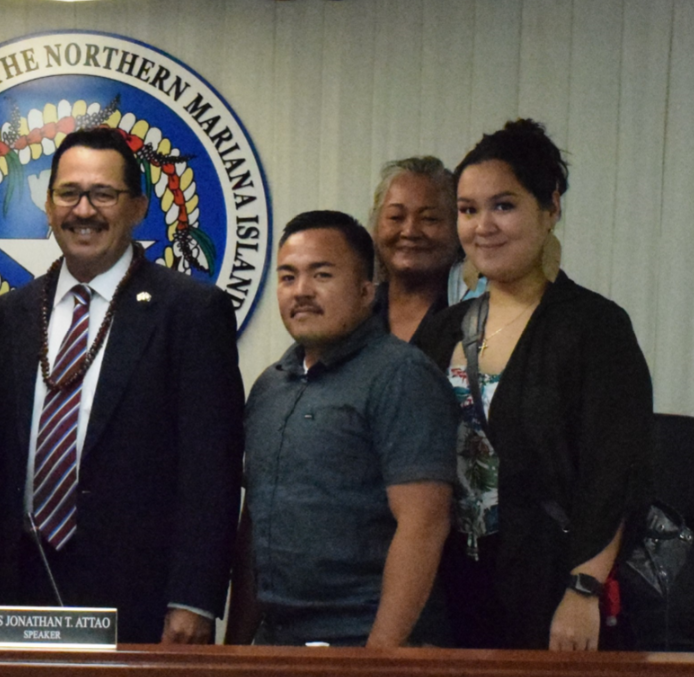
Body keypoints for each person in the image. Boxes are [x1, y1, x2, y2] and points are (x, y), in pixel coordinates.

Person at [0, 127, 246, 644]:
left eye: (103, 194)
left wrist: (193, 599)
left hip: (143, 599)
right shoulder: (12, 313)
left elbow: (210, 470)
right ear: (48, 204)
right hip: (24, 589)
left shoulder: (190, 312)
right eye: (69, 193)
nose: (84, 210)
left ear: (139, 208)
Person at [411, 119, 653, 651]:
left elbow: (614, 472)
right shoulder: (442, 327)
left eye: (504, 205)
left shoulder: (595, 327)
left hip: (552, 583)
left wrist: (583, 588)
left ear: (551, 208)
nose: (483, 227)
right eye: (469, 210)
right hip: (449, 582)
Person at [232, 211, 456, 648]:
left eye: (322, 274)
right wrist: (236, 649)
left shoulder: (401, 376)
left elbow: (424, 524)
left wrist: (376, 659)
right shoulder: (270, 386)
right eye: (288, 277)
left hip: (365, 642)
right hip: (276, 643)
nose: (302, 292)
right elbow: (254, 526)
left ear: (366, 290)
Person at [368, 156, 477, 342]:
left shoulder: (478, 315)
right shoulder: (354, 316)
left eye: (429, 219)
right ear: (376, 226)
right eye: (396, 217)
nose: (410, 232)